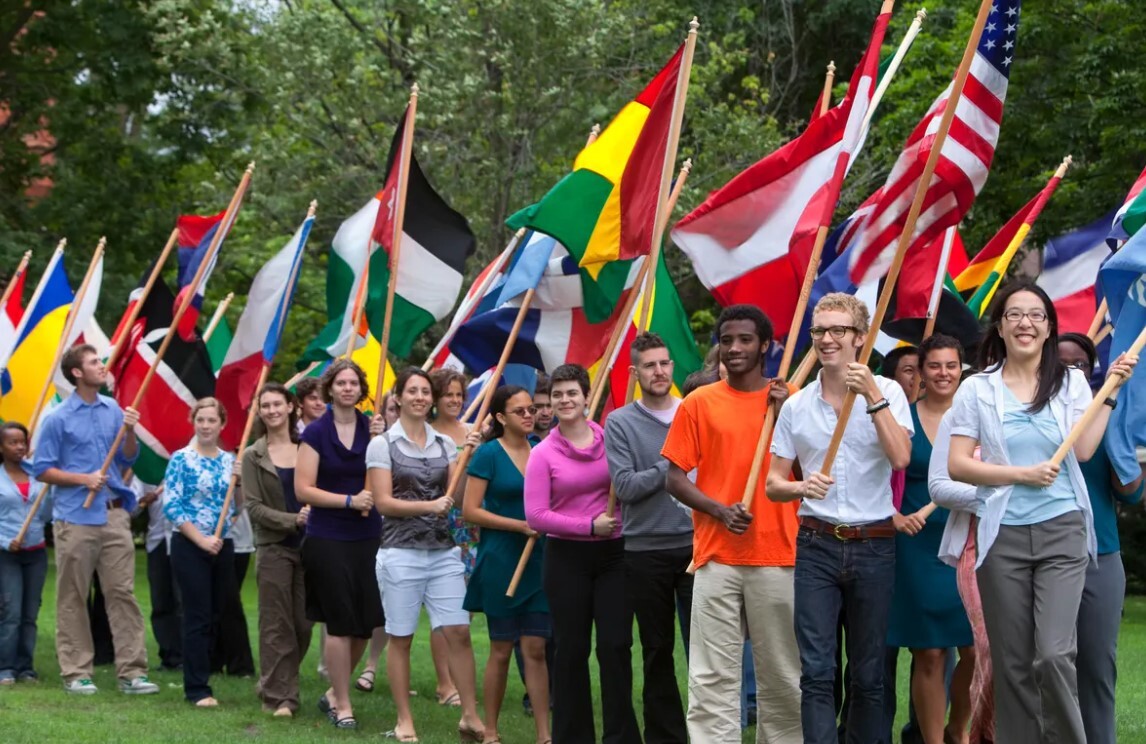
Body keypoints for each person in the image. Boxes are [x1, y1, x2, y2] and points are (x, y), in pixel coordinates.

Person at [946, 281, 1136, 743]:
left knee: (1053, 654)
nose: (1025, 323)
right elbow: (957, 463)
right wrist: (1018, 475)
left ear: (1049, 327)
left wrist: (1110, 393)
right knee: (1011, 663)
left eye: (1035, 315)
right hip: (1003, 534)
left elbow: (1086, 449)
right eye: (1015, 314)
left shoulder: (1069, 381)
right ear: (1001, 326)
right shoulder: (977, 389)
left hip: (1063, 530)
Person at [766, 293, 913, 744]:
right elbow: (773, 483)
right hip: (817, 544)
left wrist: (871, 395)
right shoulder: (796, 405)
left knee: (869, 673)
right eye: (820, 331)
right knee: (816, 670)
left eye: (837, 330)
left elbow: (901, 457)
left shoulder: (888, 392)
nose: (827, 339)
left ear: (860, 337)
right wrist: (800, 487)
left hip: (874, 543)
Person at [663, 306, 800, 744]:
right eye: (727, 340)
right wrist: (719, 510)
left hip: (779, 553)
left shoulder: (791, 399)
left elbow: (817, 469)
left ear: (765, 345)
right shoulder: (700, 402)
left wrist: (782, 415)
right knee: (710, 676)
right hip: (716, 556)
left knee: (781, 674)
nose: (735, 348)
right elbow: (674, 477)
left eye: (745, 339)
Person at [32, 344, 158, 696]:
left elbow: (127, 457)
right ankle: (76, 672)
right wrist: (82, 479)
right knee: (72, 595)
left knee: (122, 593)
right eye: (93, 362)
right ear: (76, 373)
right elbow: (41, 469)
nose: (101, 366)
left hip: (116, 515)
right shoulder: (57, 418)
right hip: (75, 518)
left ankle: (132, 673)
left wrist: (130, 430)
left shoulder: (114, 409)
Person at [525, 363, 641, 744]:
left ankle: (621, 737)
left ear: (586, 396)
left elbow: (629, 482)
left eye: (572, 392)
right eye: (557, 394)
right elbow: (536, 516)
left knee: (615, 646)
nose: (565, 400)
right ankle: (573, 737)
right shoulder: (543, 453)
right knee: (571, 650)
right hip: (566, 559)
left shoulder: (612, 440)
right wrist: (589, 526)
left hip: (614, 557)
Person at [368, 366, 484, 743]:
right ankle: (404, 721)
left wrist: (472, 459)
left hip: (443, 552)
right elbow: (384, 503)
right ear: (398, 397)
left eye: (424, 392)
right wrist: (428, 506)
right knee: (400, 638)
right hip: (400, 552)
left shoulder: (445, 445)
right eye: (412, 391)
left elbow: (458, 497)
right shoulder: (382, 444)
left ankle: (469, 715)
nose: (420, 397)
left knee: (459, 633)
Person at [885, 334, 975, 744]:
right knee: (930, 651)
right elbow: (876, 474)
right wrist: (894, 516)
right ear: (920, 372)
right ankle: (933, 740)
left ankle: (959, 730)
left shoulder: (978, 416)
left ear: (962, 370)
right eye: (934, 365)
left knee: (974, 650)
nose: (943, 373)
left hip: (969, 541)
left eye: (951, 366)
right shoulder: (904, 418)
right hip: (916, 544)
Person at [606, 332, 693, 743]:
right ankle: (666, 735)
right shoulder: (620, 422)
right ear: (634, 371)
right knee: (657, 650)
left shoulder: (694, 411)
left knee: (706, 650)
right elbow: (626, 486)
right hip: (645, 550)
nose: (659, 372)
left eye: (664, 363)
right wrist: (676, 461)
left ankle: (708, 730)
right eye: (649, 365)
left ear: (673, 366)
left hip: (698, 544)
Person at [1059, 332, 1144, 744]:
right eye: (1061, 360)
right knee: (1046, 665)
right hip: (1039, 553)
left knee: (1095, 665)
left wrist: (1123, 439)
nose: (1071, 368)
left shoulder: (1106, 412)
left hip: (1100, 557)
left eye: (1080, 362)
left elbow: (1130, 491)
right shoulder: (1024, 409)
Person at [296, 359, 384, 730]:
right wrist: (349, 501)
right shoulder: (316, 433)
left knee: (365, 624)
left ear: (361, 390)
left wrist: (385, 437)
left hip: (367, 538)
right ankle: (343, 704)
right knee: (339, 622)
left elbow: (388, 477)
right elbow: (304, 489)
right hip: (327, 536)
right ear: (330, 389)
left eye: (353, 383)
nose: (347, 388)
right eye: (341, 383)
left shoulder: (374, 429)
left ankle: (334, 691)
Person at [462, 385, 552, 744]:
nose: (530, 415)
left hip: (538, 560)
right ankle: (491, 731)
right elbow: (470, 511)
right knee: (501, 648)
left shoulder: (542, 451)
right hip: (501, 558)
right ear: (500, 418)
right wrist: (518, 525)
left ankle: (545, 734)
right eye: (521, 411)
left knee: (536, 648)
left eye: (531, 409)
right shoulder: (487, 454)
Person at [163, 397, 238, 707]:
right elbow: (172, 506)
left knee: (218, 613)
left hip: (222, 544)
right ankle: (197, 688)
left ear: (222, 424)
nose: (206, 426)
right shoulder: (181, 459)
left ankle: (207, 672)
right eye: (201, 420)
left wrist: (223, 531)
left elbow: (233, 504)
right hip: (190, 545)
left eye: (212, 420)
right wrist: (201, 540)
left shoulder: (230, 460)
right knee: (197, 615)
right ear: (193, 422)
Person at [243, 382, 312, 718]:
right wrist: (292, 519)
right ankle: (279, 698)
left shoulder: (308, 448)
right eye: (265, 405)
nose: (271, 410)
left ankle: (274, 680)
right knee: (276, 625)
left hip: (309, 549)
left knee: (302, 624)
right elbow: (254, 508)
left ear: (290, 407)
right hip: (273, 549)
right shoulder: (253, 455)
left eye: (276, 404)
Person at [0, 421, 50, 685]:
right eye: (13, 442)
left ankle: (25, 667)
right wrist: (5, 541)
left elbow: (47, 513)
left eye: (23, 442)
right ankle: (5, 667)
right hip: (7, 554)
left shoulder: (37, 475)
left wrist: (50, 490)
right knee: (11, 611)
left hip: (36, 552)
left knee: (30, 613)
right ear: (1, 447)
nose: (20, 447)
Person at [133, 478, 182, 672]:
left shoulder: (188, 461)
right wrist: (144, 500)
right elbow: (134, 508)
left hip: (184, 537)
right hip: (157, 539)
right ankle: (169, 655)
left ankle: (189, 655)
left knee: (184, 601)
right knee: (161, 601)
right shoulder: (149, 469)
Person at [531, 375, 553, 440]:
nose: (545, 413)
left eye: (549, 406)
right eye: (538, 407)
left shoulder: (565, 440)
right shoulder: (514, 442)